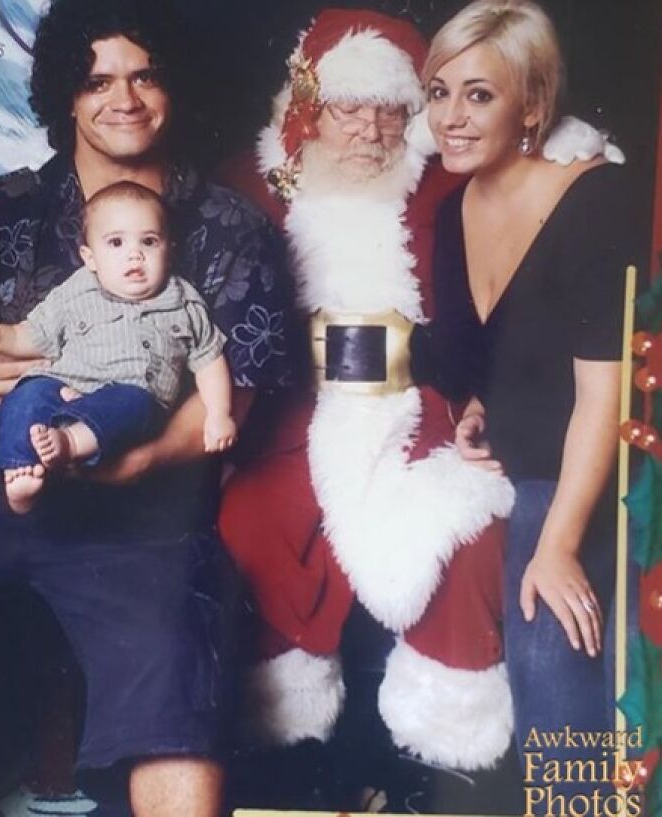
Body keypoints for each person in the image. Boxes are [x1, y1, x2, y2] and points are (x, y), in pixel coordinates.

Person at [217, 8, 614, 796]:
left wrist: (567, 144)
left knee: (463, 535)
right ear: (307, 108)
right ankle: (289, 750)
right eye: (346, 107)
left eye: (390, 109)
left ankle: (441, 746)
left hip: (422, 401)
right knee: (252, 522)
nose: (368, 129)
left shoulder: (447, 176)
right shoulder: (255, 184)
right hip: (294, 409)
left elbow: (520, 133)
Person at [0, 0, 292, 814]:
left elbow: (231, 396)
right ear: (64, 97)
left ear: (171, 86)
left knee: (172, 664)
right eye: (98, 79)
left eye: (144, 74)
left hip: (141, 523)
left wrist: (124, 460)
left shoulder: (230, 228)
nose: (124, 97)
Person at [422, 0, 632, 807]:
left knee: (548, 629)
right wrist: (475, 408)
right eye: (440, 92)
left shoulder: (595, 199)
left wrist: (559, 544)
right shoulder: (452, 211)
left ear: (533, 106)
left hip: (596, 480)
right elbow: (484, 360)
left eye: (479, 94)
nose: (451, 117)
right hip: (516, 469)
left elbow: (600, 398)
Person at [0, 181, 236, 514]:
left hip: (130, 396)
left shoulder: (183, 302)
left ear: (168, 251)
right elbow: (32, 335)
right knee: (26, 393)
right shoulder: (77, 291)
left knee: (134, 404)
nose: (134, 254)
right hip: (65, 383)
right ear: (90, 258)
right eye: (115, 242)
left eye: (149, 241)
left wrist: (218, 415)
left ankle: (69, 443)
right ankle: (20, 469)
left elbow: (209, 361)